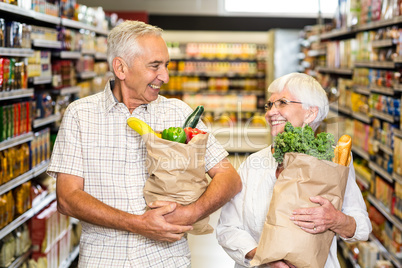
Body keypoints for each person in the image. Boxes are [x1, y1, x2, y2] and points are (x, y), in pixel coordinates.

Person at [47, 20, 242, 267]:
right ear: (121, 68)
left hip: (166, 260)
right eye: (155, 66)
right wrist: (138, 224)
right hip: (103, 260)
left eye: (166, 65)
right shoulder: (80, 115)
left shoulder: (178, 113)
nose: (166, 76)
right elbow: (67, 197)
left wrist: (191, 212)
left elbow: (230, 178)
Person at [216, 72, 372, 268]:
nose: (271, 112)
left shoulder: (335, 163)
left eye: (282, 103)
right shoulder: (253, 164)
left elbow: (363, 227)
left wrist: (336, 219)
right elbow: (227, 228)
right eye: (269, 105)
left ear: (311, 112)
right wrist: (265, 257)